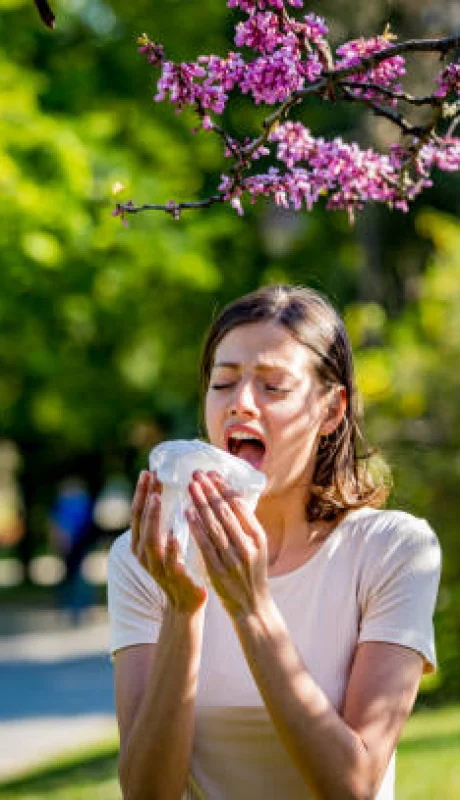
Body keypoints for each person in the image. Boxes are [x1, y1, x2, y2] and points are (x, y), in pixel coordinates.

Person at [108, 285, 441, 800]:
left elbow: (353, 787)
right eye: (223, 382)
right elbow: (147, 794)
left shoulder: (394, 551)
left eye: (273, 387)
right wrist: (183, 606)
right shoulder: (146, 559)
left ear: (331, 411)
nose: (240, 403)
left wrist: (252, 607)